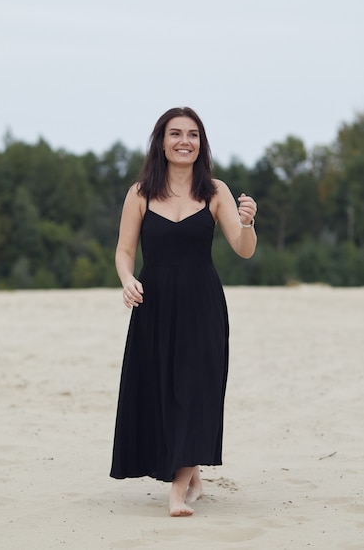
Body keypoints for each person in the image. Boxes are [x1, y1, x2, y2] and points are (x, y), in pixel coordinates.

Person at [110, 106, 257, 517]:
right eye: (175, 134)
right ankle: (193, 475)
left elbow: (243, 250)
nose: (184, 141)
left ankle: (177, 493)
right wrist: (127, 280)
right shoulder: (140, 193)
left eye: (192, 134)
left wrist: (246, 224)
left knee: (195, 393)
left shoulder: (215, 191)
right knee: (162, 392)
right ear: (161, 141)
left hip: (202, 306)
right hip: (153, 305)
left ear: (201, 143)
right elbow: (124, 251)